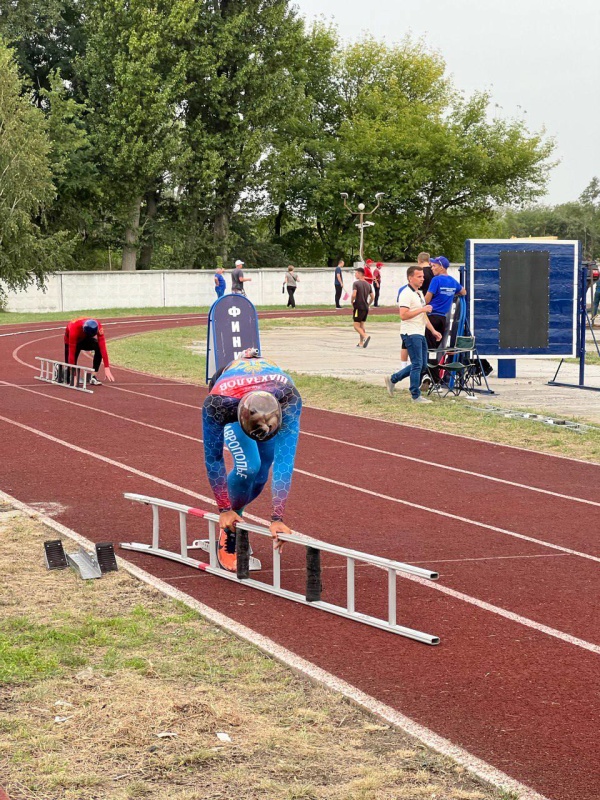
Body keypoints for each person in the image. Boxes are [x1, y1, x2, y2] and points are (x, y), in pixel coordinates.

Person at [202, 349, 302, 571]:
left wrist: (277, 517)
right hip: (232, 398)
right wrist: (223, 509)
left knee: (262, 471)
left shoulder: (290, 399)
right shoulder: (217, 405)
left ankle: (235, 518)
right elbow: (214, 457)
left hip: (268, 396)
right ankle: (228, 530)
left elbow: (285, 462)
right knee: (249, 466)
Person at [384, 266, 442, 403]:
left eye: (423, 276)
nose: (423, 279)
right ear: (410, 278)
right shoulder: (405, 293)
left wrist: (433, 331)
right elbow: (403, 315)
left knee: (422, 365)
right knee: (417, 364)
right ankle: (415, 395)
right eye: (419, 276)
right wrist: (422, 309)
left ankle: (393, 379)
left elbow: (423, 315)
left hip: (420, 332)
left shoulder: (419, 293)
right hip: (410, 333)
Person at [424, 256, 466, 349]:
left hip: (431, 316)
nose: (432, 268)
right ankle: (434, 362)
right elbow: (463, 292)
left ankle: (424, 363)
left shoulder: (436, 280)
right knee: (436, 346)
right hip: (443, 318)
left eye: (434, 266)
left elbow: (426, 300)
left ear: (441, 267)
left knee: (427, 347)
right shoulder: (452, 281)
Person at [63, 318, 115, 385]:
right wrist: (74, 375)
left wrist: (107, 367)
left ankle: (93, 376)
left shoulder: (98, 326)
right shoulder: (74, 329)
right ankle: (69, 374)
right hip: (71, 340)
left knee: (98, 347)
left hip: (85, 338)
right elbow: (71, 354)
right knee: (69, 370)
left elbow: (103, 347)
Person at [351, 266, 374, 348]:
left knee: (356, 326)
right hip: (365, 307)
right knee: (362, 325)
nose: (355, 275)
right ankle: (361, 342)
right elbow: (372, 297)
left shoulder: (356, 283)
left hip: (358, 307)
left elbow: (354, 294)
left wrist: (352, 301)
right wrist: (368, 304)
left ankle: (365, 336)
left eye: (356, 273)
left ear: (360, 274)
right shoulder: (368, 285)